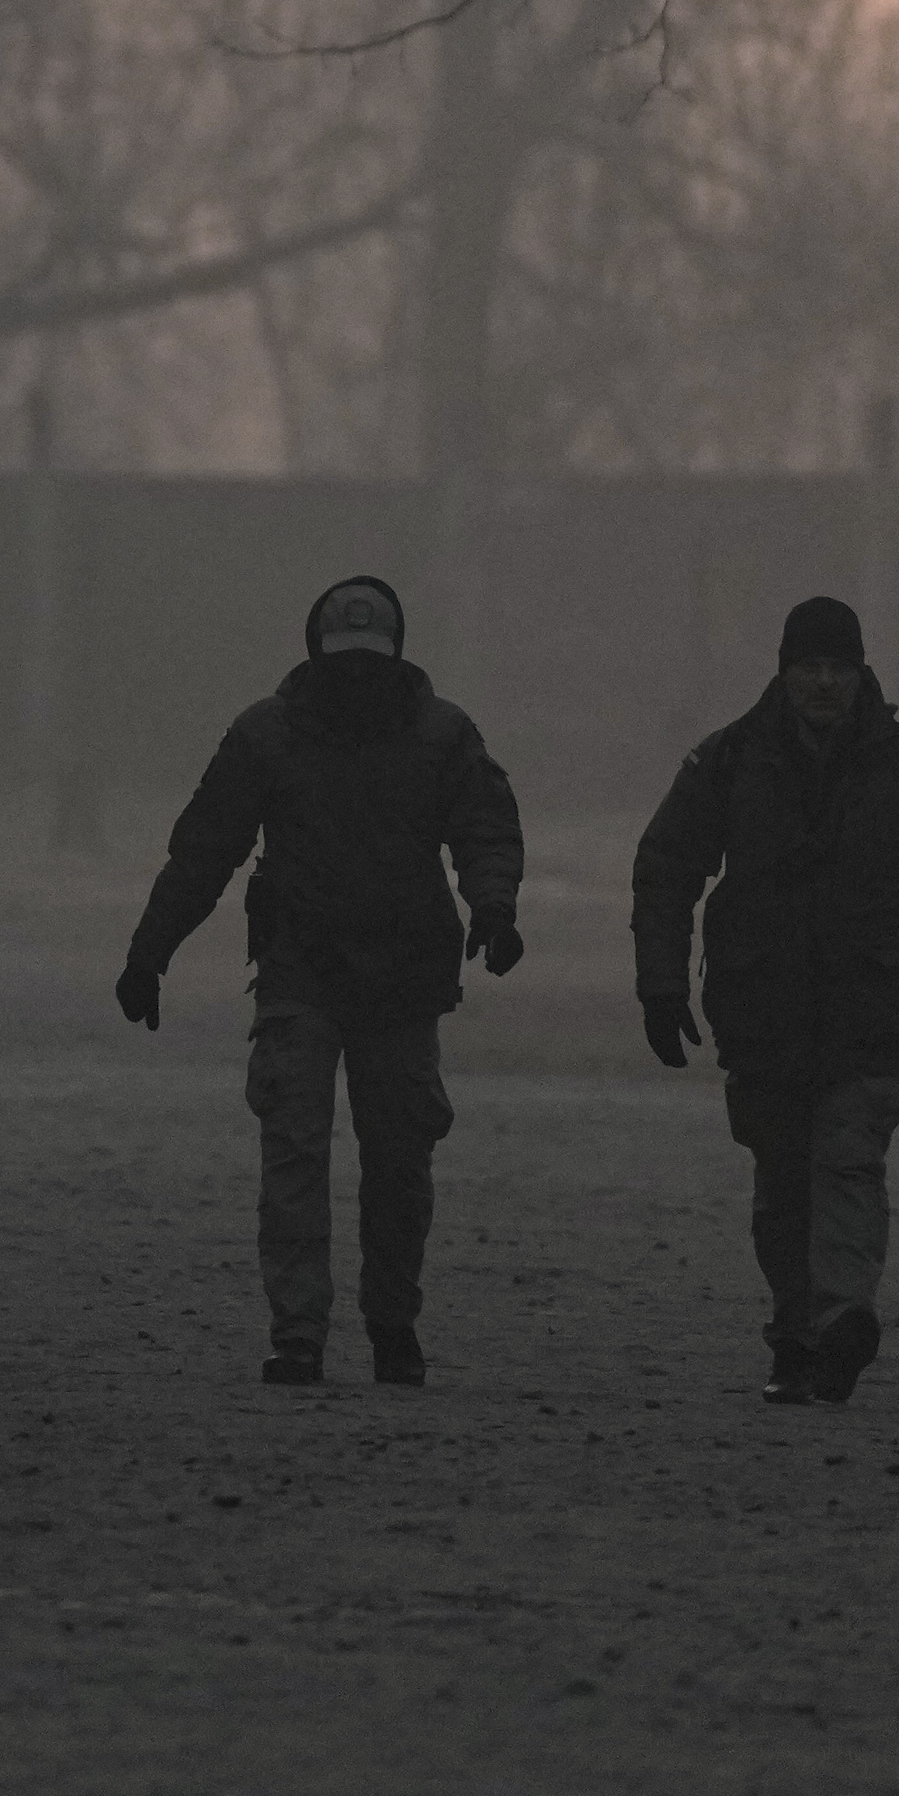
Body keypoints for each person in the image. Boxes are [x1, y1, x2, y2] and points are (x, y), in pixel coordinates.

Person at [114, 574, 526, 1386]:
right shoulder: (269, 737)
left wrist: (496, 905)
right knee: (296, 1153)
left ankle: (391, 1321)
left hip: (401, 979)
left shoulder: (439, 737)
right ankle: (299, 1332)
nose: (358, 679)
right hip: (304, 972)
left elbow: (484, 830)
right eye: (346, 663)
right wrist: (148, 951)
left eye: (369, 664)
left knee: (399, 1163)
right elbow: (204, 852)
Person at [629, 594, 899, 1404]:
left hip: (871, 1016)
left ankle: (841, 1319)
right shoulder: (728, 761)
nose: (825, 682)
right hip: (764, 1015)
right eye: (811, 666)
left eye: (839, 667)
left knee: (846, 1162)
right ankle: (799, 1336)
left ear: (861, 671)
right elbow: (668, 865)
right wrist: (661, 983)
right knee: (781, 1186)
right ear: (785, 670)